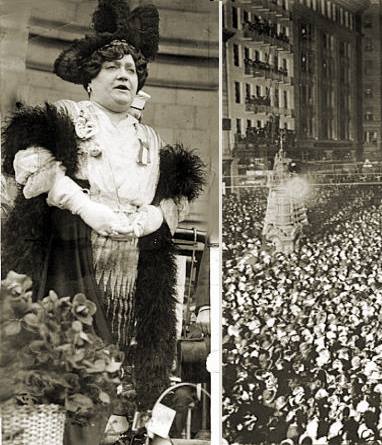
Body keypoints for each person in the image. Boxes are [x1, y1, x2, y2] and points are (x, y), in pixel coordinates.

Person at [1, 1, 205, 443]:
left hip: (133, 261)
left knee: (123, 355)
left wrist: (153, 216)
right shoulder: (69, 118)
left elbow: (176, 197)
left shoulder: (150, 139)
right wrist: (81, 204)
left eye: (131, 68)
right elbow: (30, 162)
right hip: (75, 252)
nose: (123, 74)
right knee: (69, 351)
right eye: (111, 66)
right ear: (90, 80)